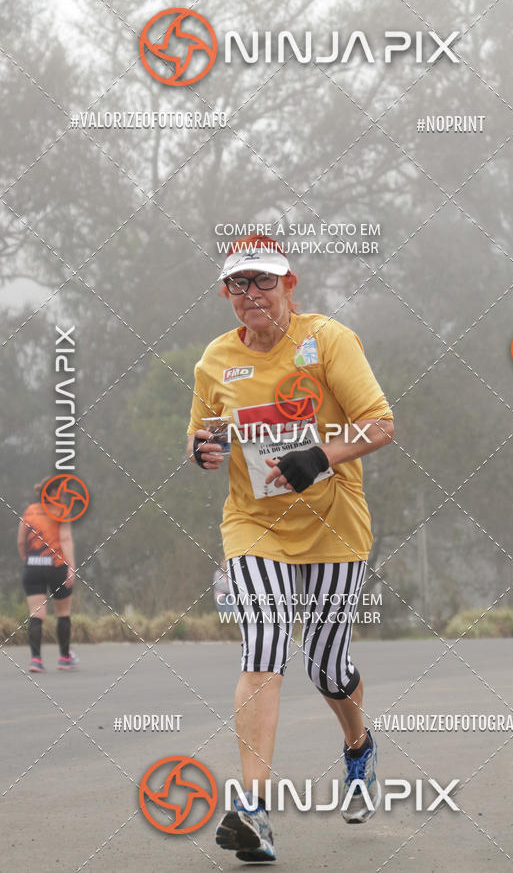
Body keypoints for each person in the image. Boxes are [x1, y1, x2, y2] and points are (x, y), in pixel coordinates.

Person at [186, 234, 394, 862]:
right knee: (266, 641)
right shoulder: (214, 361)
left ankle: (358, 747)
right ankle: (253, 810)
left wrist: (321, 455)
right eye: (239, 285)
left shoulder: (329, 339)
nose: (252, 295)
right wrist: (203, 450)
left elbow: (380, 423)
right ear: (227, 294)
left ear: (289, 284)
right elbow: (202, 437)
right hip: (254, 526)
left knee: (328, 667)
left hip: (335, 527)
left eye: (264, 282)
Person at [17, 476, 79, 672]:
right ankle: (64, 658)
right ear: (53, 492)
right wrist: (72, 566)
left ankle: (36, 660)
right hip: (56, 567)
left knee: (36, 614)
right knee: (63, 613)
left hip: (32, 567)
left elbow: (20, 541)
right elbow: (66, 539)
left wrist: (27, 561)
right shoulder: (62, 510)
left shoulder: (29, 511)